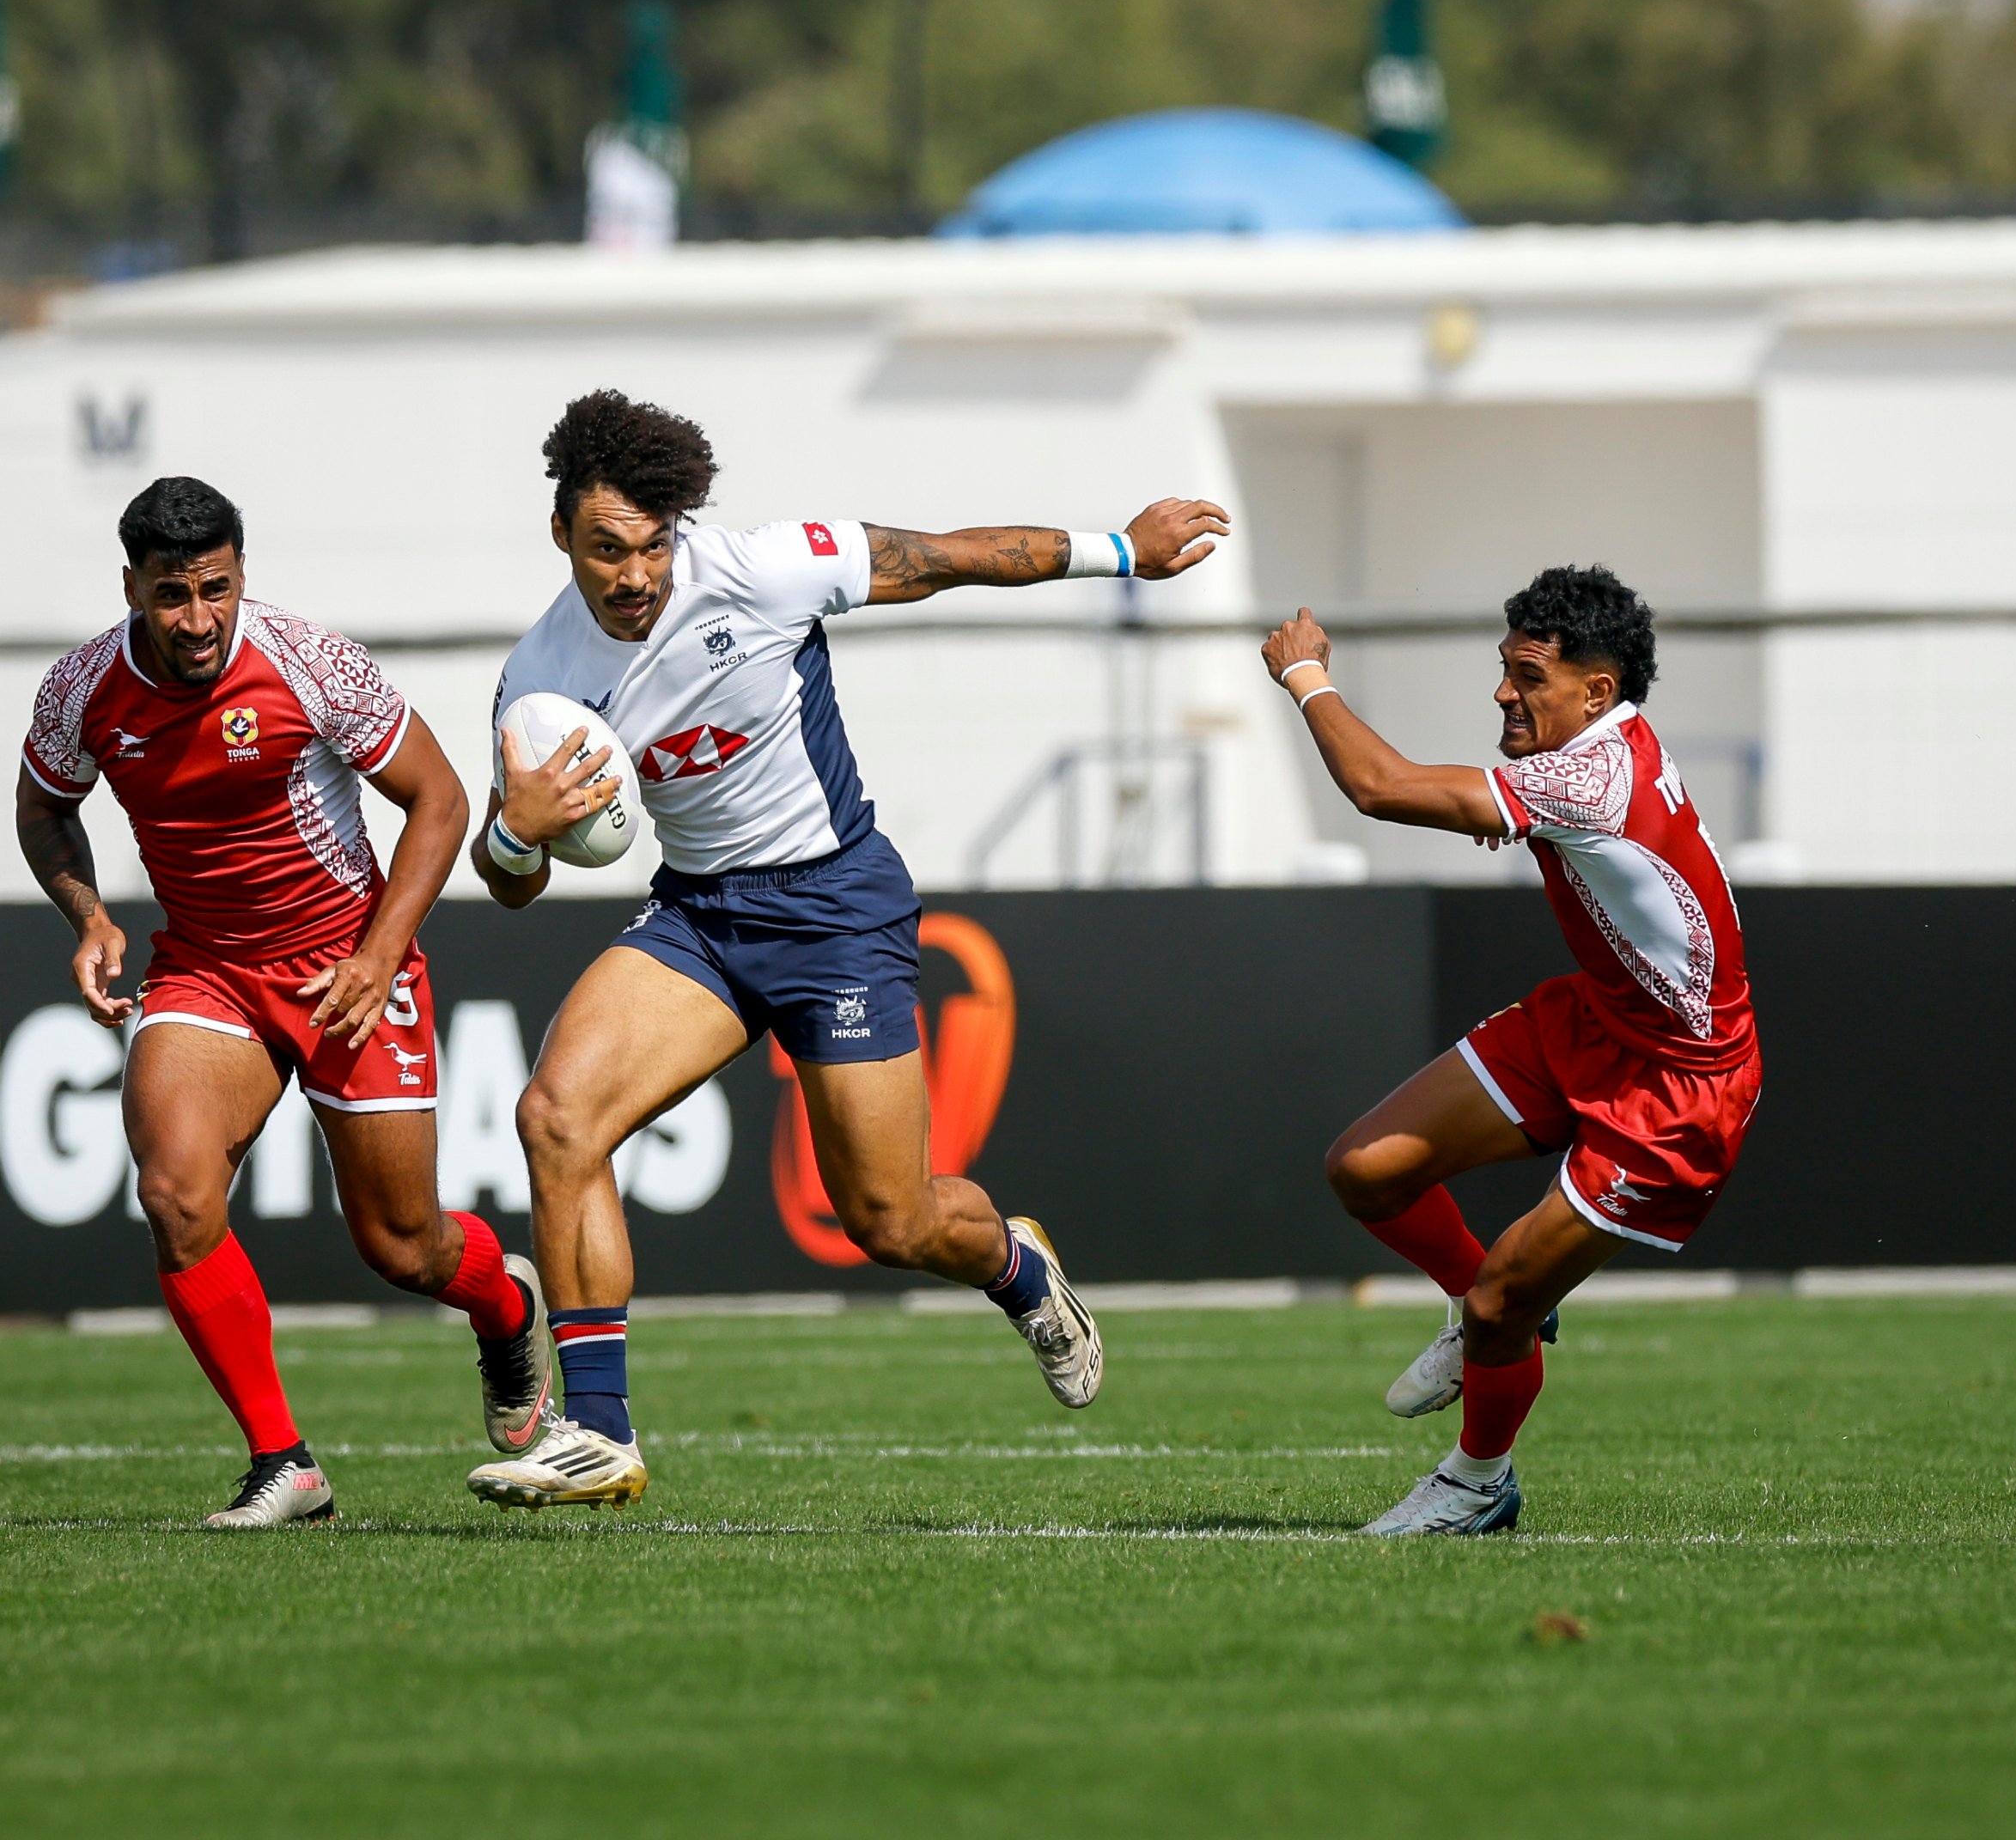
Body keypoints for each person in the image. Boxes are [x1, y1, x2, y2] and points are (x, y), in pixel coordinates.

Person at [461, 391, 1233, 1510]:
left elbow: (947, 557)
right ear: (560, 537)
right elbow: (514, 884)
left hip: (834, 908)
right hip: (701, 918)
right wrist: (509, 831)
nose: (631, 575)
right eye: (603, 549)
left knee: (890, 1218)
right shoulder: (538, 682)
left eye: (648, 545)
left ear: (676, 526)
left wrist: (1122, 547)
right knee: (556, 1117)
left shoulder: (765, 568)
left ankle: (1015, 1264)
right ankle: (599, 1431)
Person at [16, 476, 548, 1530]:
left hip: (347, 967)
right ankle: (284, 1463)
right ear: (131, 587)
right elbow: (44, 809)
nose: (198, 618)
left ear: (242, 573)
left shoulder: (310, 661)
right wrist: (88, 917)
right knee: (173, 1193)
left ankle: (506, 1304)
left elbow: (438, 801)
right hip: (206, 970)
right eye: (172, 596)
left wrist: (377, 956)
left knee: (402, 1248)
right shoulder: (80, 689)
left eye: (215, 588)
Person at [1262, 566, 1758, 1536]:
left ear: (1596, 692)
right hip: (1596, 1019)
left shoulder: (1589, 777)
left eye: (1529, 676)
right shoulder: (1599, 750)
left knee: (1504, 1309)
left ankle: (1477, 1485)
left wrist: (1306, 676)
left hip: (1677, 1083)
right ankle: (1474, 1303)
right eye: (1505, 668)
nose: (1503, 692)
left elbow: (1380, 788)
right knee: (1365, 1169)